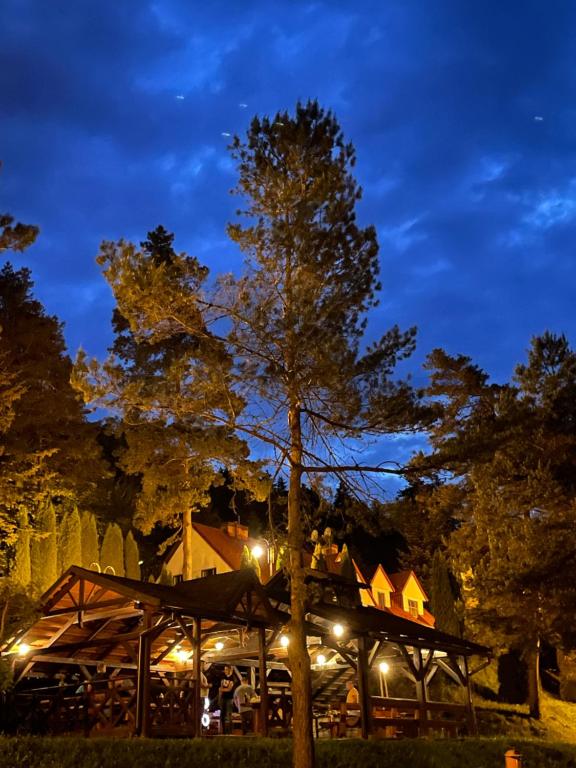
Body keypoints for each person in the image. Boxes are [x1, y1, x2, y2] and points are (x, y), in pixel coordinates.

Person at [218, 665, 236, 734]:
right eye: (224, 669)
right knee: (222, 715)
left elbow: (229, 689)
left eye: (226, 669)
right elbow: (221, 688)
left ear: (229, 670)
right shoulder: (223, 678)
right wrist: (219, 698)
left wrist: (222, 689)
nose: (225, 671)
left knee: (229, 715)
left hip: (229, 699)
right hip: (223, 698)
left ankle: (229, 732)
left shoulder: (232, 678)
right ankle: (223, 732)